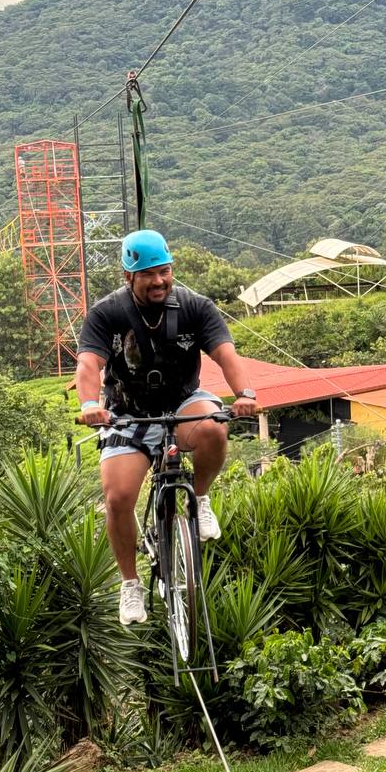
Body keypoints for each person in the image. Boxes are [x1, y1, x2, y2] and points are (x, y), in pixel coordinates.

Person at [76, 229, 258, 625]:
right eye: (149, 275)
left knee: (213, 427)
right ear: (129, 277)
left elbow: (226, 353)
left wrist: (243, 392)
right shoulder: (107, 314)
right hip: (129, 412)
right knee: (119, 497)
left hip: (182, 403)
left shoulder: (196, 307)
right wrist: (91, 405)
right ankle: (130, 584)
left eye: (165, 272)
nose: (159, 281)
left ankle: (202, 498)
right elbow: (89, 364)